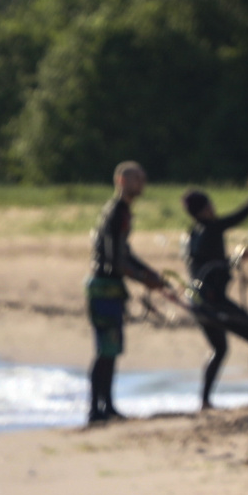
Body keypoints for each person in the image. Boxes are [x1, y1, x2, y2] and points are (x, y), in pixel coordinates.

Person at [85, 161, 171, 425]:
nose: (141, 184)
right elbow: (114, 260)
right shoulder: (116, 212)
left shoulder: (122, 212)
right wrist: (146, 279)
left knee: (111, 350)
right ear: (121, 181)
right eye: (136, 179)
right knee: (105, 350)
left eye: (143, 179)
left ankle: (106, 406)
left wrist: (150, 274)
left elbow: (126, 253)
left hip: (111, 289)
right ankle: (96, 410)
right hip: (103, 287)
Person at [181, 185, 248, 409]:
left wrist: (235, 258)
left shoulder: (191, 234)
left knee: (219, 349)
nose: (214, 208)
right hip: (214, 303)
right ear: (204, 209)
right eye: (210, 204)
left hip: (197, 302)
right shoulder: (212, 228)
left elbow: (209, 264)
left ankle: (204, 401)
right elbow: (238, 217)